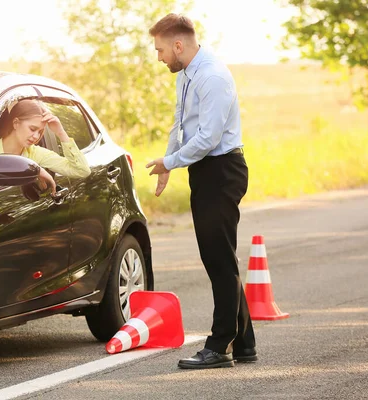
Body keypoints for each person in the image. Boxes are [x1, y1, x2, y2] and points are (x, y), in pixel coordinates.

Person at [146, 13, 257, 369]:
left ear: (178, 45)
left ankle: (219, 346)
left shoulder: (212, 77)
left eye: (161, 50)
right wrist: (168, 161)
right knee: (221, 258)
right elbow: (180, 123)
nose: (159, 57)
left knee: (219, 261)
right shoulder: (186, 74)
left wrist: (172, 162)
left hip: (222, 170)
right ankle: (244, 345)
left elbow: (208, 139)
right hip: (205, 171)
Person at [0, 99, 91, 194]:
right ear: (16, 123)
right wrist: (37, 170)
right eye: (33, 129)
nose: (36, 136)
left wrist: (61, 132)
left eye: (40, 132)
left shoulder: (34, 153)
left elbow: (82, 171)